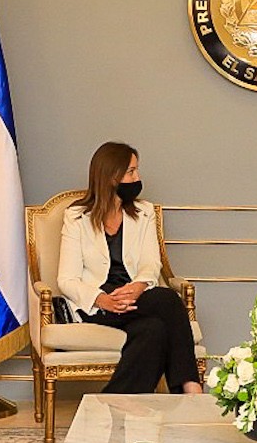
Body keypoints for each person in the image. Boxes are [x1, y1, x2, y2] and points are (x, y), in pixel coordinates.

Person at [54, 143, 203, 395]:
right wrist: (103, 300)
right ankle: (191, 388)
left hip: (136, 298)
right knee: (168, 300)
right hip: (97, 304)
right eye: (131, 172)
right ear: (112, 176)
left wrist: (138, 287)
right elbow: (66, 279)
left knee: (153, 331)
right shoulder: (76, 216)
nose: (138, 178)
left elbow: (151, 263)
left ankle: (109, 403)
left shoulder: (144, 212)